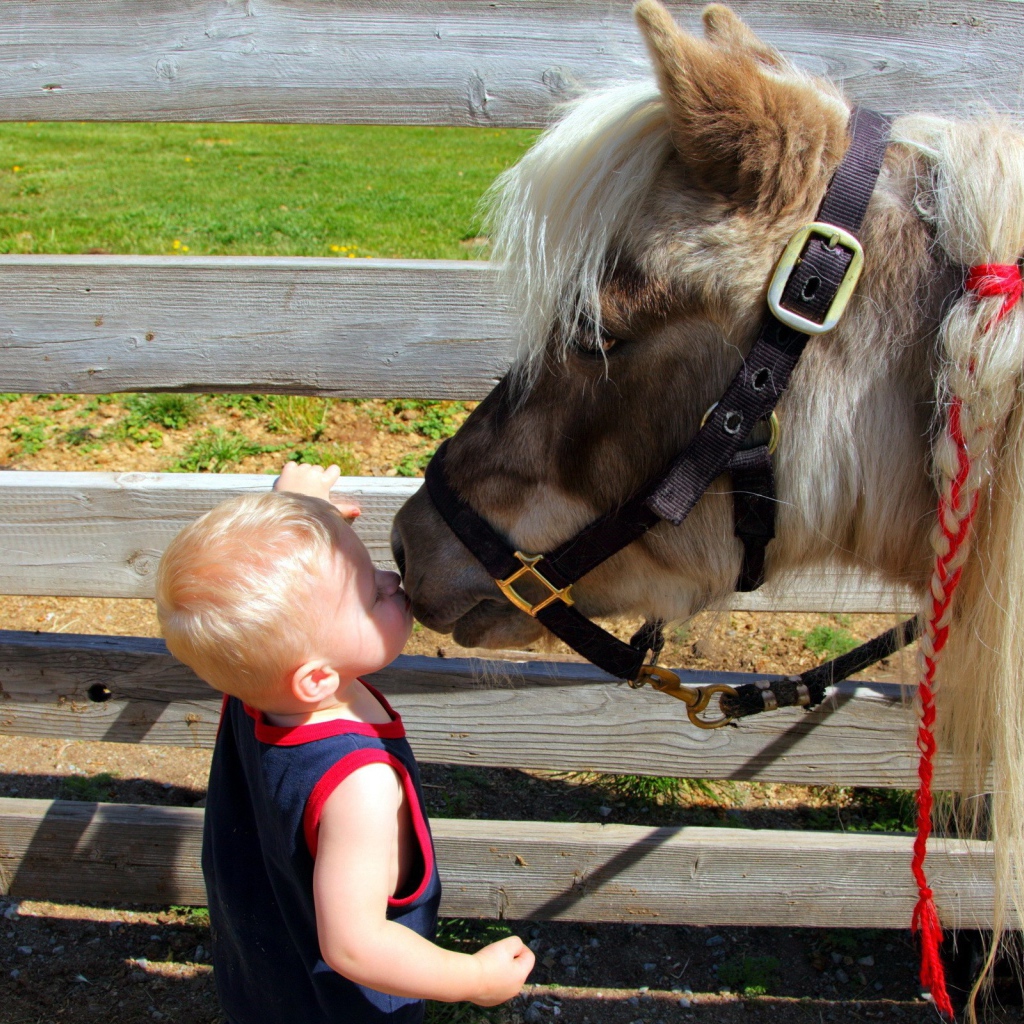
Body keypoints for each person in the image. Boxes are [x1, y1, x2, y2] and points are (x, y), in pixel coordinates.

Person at [156, 461, 535, 1024]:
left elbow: (274, 608)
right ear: (315, 679)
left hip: (263, 968)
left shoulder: (258, 685)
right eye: (369, 594)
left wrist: (302, 510)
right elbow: (354, 945)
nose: (391, 580)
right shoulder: (359, 785)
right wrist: (473, 979)